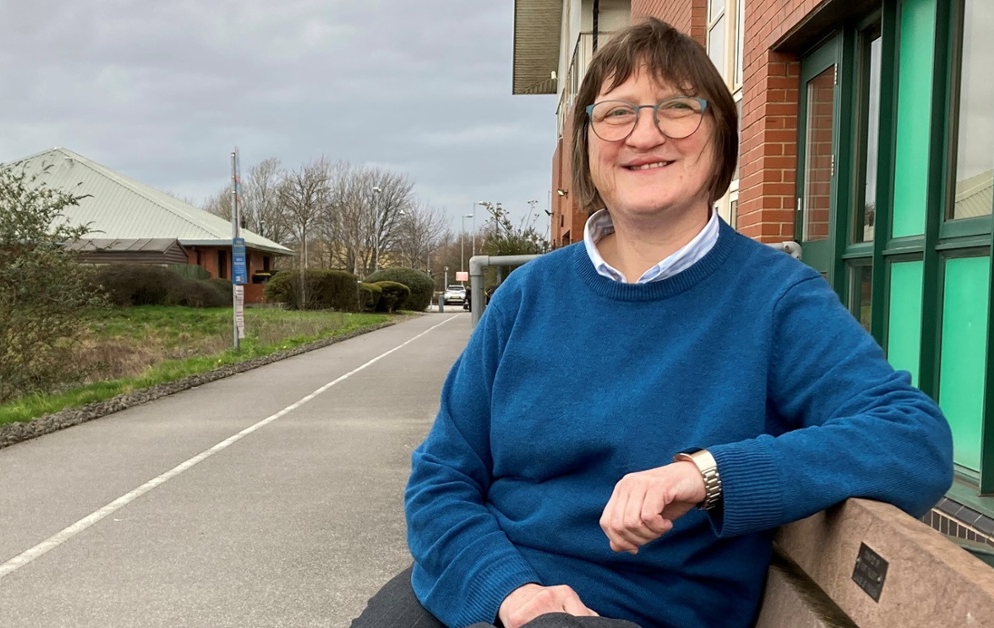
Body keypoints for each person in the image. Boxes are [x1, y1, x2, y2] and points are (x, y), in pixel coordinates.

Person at [352, 17, 953, 628]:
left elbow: (912, 439)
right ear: (587, 141)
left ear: (719, 135)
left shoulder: (774, 298)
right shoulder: (529, 295)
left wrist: (706, 473)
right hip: (501, 594)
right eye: (617, 113)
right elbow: (442, 476)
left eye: (676, 108)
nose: (645, 134)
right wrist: (512, 593)